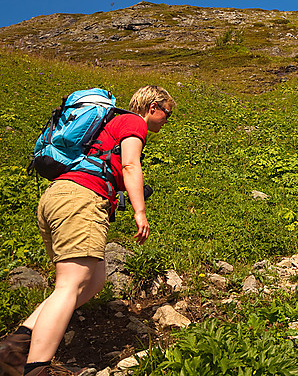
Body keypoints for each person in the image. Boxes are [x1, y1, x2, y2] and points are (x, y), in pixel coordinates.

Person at [0, 86, 174, 376]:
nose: (168, 120)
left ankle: (14, 347)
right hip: (80, 200)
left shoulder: (109, 126)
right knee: (69, 286)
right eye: (168, 113)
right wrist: (139, 211)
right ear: (153, 107)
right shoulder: (132, 121)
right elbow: (131, 165)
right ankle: (36, 368)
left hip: (60, 197)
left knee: (92, 282)